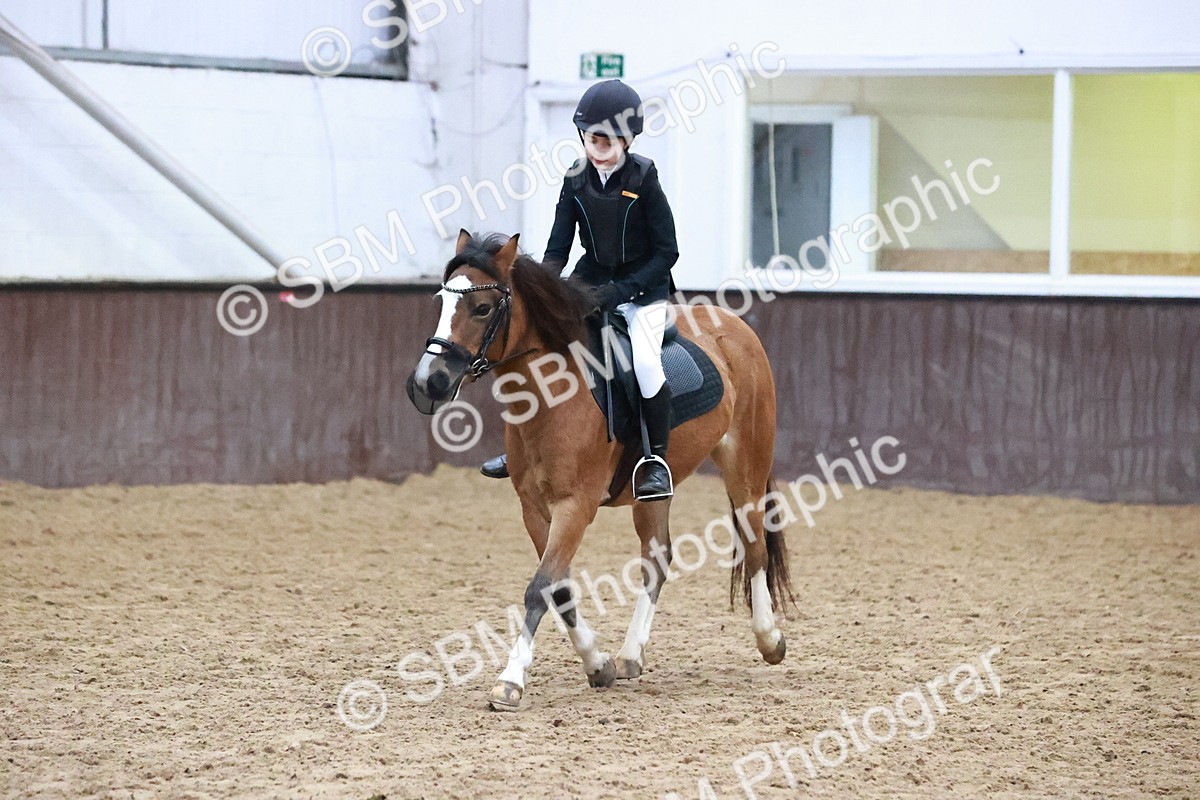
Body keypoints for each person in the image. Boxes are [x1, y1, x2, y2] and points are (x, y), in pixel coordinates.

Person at [480, 79, 680, 501]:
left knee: (645, 363)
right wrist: (542, 291)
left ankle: (654, 460)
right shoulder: (574, 178)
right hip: (591, 278)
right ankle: (520, 447)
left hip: (644, 285)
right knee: (545, 345)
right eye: (591, 136)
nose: (597, 145)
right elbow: (558, 247)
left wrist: (623, 290)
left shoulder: (644, 178)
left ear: (626, 139)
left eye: (606, 138)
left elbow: (667, 252)